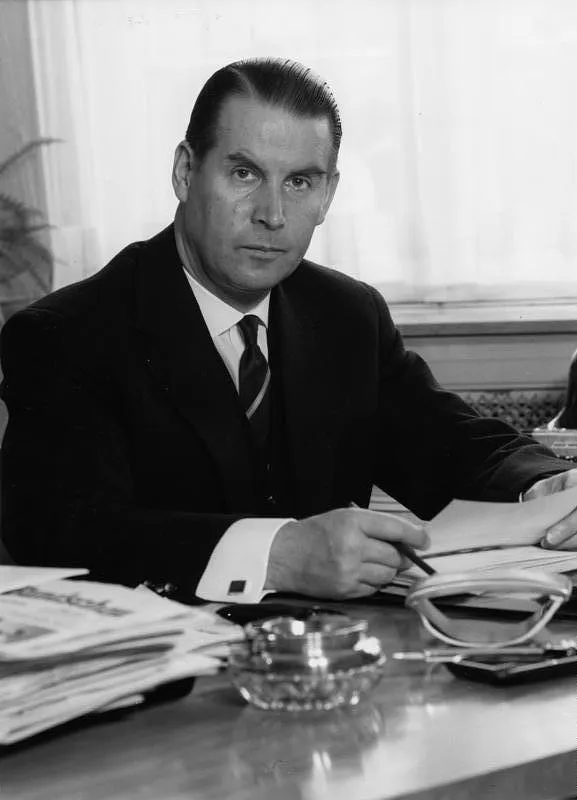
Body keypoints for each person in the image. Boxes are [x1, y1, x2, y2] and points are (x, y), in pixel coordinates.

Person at [1, 57, 576, 605]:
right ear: (185, 172)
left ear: (328, 195)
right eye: (244, 174)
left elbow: (448, 443)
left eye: (300, 181)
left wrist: (549, 488)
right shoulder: (67, 335)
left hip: (336, 652)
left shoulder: (348, 313)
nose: (272, 214)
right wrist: (276, 555)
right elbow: (59, 535)